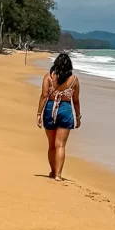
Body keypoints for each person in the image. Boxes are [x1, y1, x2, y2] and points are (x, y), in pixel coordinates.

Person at [36, 52, 81, 180]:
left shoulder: (49, 77)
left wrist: (39, 114)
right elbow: (76, 100)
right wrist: (78, 117)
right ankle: (58, 175)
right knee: (60, 145)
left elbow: (44, 96)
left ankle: (52, 171)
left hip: (50, 109)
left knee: (51, 145)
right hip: (65, 109)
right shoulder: (74, 80)